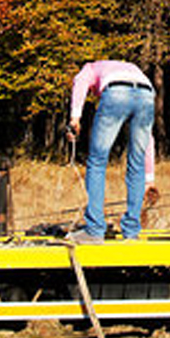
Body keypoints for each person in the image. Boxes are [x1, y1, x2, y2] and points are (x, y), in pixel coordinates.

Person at [65, 60, 158, 244]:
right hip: (147, 94)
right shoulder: (133, 69)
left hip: (116, 92)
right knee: (136, 163)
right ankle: (131, 232)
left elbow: (81, 81)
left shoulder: (90, 67)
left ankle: (94, 230)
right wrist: (149, 179)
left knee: (97, 162)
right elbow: (149, 140)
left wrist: (75, 117)